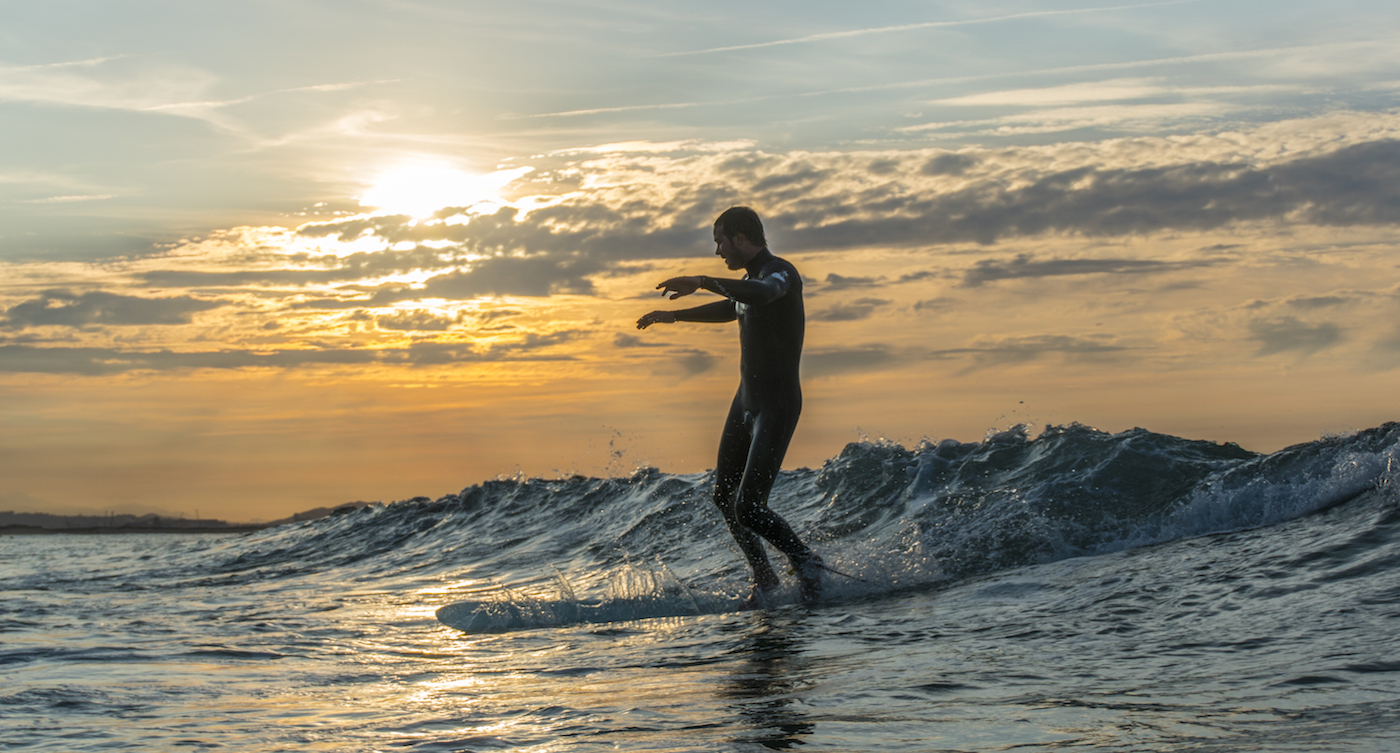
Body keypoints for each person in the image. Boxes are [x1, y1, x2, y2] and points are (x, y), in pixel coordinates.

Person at [636, 206, 823, 604]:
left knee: (749, 507)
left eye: (720, 242)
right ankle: (765, 578)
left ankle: (807, 563)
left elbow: (763, 295)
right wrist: (674, 317)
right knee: (725, 497)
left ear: (740, 238)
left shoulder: (779, 273)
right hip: (746, 402)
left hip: (776, 404)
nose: (718, 251)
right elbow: (733, 307)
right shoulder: (748, 282)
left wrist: (703, 281)